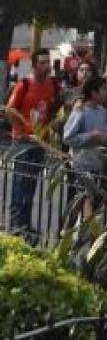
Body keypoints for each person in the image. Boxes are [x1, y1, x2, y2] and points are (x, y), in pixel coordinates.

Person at [3, 48, 60, 236]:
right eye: (42, 62)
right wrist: (20, 132)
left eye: (48, 62)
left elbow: (52, 109)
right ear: (35, 65)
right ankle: (16, 225)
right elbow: (10, 110)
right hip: (23, 142)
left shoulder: (53, 85)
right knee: (21, 183)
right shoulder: (24, 84)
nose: (47, 66)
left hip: (40, 142)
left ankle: (25, 224)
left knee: (32, 184)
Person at [63, 75, 107, 177]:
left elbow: (105, 134)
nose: (106, 93)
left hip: (98, 164)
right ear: (94, 93)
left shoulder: (102, 111)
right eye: (104, 89)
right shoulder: (80, 112)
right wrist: (90, 135)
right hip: (82, 166)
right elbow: (67, 138)